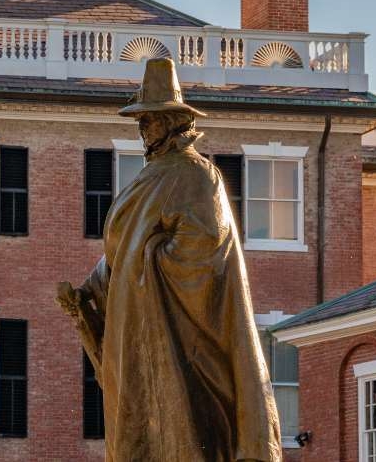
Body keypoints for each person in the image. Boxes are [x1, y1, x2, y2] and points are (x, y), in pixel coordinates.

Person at [58, 58, 282, 462]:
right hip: (138, 332)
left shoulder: (196, 175)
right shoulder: (151, 176)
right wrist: (93, 289)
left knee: (184, 431)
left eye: (149, 120)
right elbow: (120, 249)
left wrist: (141, 266)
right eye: (141, 120)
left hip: (180, 339)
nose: (142, 128)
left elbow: (203, 250)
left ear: (174, 121)